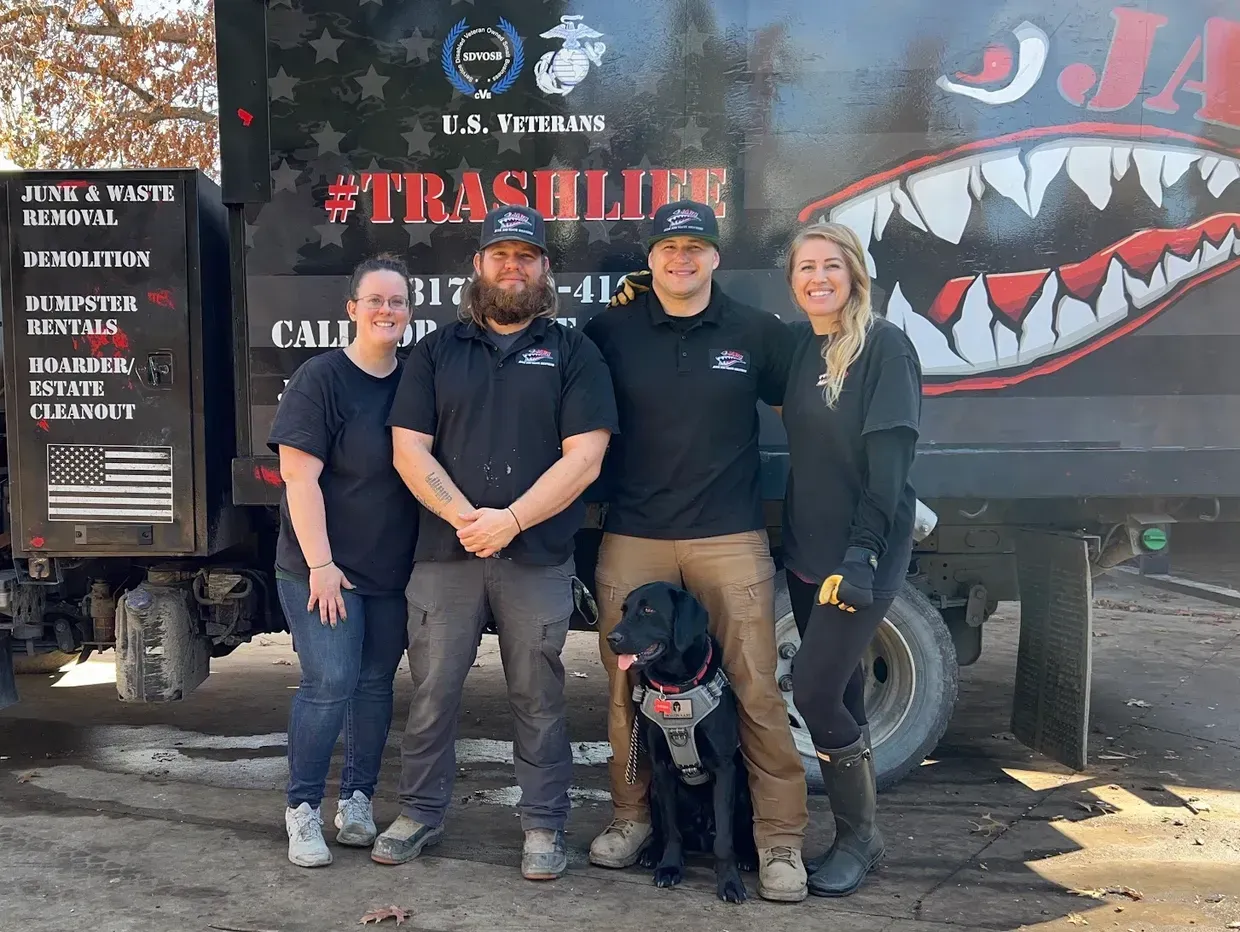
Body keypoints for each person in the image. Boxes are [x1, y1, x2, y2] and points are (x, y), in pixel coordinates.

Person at [371, 205, 619, 881]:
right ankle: (419, 812)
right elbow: (408, 449)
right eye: (500, 255)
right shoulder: (433, 352)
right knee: (431, 694)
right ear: (477, 266)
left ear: (544, 270)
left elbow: (585, 458)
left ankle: (543, 825)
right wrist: (466, 518)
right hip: (445, 554)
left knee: (537, 699)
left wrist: (508, 521)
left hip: (534, 558)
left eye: (527, 256)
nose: (513, 267)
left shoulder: (574, 353)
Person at [581, 200, 809, 902]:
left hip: (729, 536)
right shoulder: (610, 330)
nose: (681, 259)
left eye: (696, 247)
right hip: (635, 534)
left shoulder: (755, 332)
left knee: (755, 691)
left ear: (716, 257)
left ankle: (778, 844)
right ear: (649, 259)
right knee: (626, 693)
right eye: (668, 248)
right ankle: (632, 817)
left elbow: (809, 408)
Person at [781, 221, 922, 896]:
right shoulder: (807, 349)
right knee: (839, 690)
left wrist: (863, 554)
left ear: (855, 275)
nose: (818, 277)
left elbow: (890, 470)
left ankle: (861, 838)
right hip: (808, 556)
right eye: (805, 267)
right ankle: (856, 835)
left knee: (811, 691)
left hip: (858, 556)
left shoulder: (884, 348)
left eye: (830, 266)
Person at [267, 255, 420, 868]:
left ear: (410, 313)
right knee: (331, 680)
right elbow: (298, 479)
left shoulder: (415, 380)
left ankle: (356, 800)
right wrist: (322, 565)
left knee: (376, 684)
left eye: (399, 302)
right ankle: (302, 809)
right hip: (321, 567)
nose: (387, 310)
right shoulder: (321, 378)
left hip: (391, 569)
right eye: (375, 300)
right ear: (352, 308)